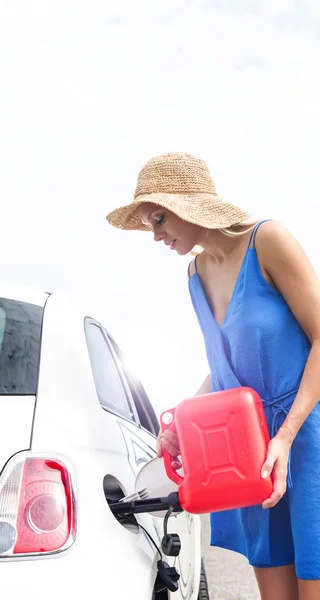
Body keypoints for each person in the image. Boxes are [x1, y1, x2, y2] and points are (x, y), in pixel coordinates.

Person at [106, 151, 320, 600]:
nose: (156, 235)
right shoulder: (194, 274)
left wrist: (286, 438)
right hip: (249, 451)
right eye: (150, 225)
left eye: (159, 219)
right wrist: (184, 422)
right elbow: (224, 368)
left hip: (307, 437)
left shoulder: (269, 240)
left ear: (188, 204)